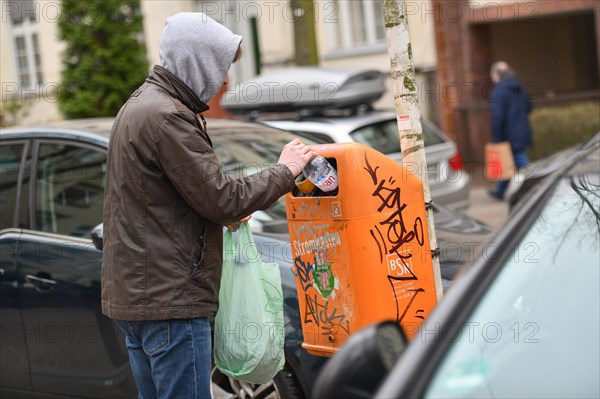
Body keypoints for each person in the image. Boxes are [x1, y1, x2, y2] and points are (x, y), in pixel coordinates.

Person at [101, 12, 316, 399]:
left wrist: (223, 212)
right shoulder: (169, 118)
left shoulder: (139, 106)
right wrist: (285, 171)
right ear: (198, 64)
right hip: (171, 303)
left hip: (139, 299)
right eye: (220, 68)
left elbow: (168, 201)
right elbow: (222, 199)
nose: (226, 81)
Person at [488, 61, 533, 200]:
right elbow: (529, 107)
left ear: (496, 75)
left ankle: (535, 183)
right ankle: (500, 191)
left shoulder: (499, 90)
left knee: (521, 161)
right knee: (508, 161)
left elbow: (497, 116)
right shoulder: (519, 87)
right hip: (523, 130)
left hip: (508, 134)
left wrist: (497, 139)